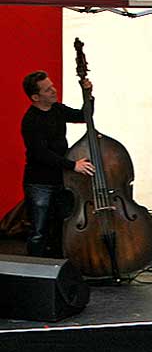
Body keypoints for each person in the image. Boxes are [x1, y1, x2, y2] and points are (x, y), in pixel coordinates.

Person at [20, 70, 95, 257]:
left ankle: (60, 265)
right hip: (39, 183)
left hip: (62, 180)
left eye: (52, 86)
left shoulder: (58, 110)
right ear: (35, 97)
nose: (54, 90)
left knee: (62, 226)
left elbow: (83, 116)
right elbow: (41, 154)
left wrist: (88, 95)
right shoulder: (30, 120)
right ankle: (36, 271)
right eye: (47, 89)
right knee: (38, 230)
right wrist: (73, 166)